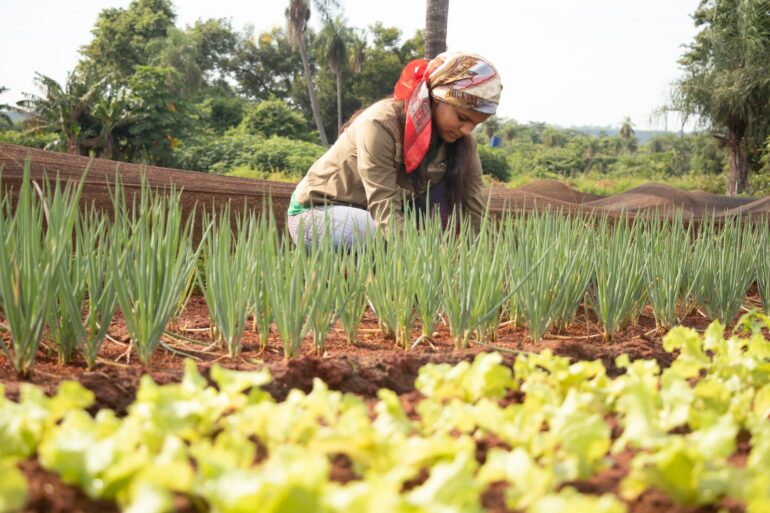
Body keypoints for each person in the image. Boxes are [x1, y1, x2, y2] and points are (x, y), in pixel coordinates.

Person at [287, 51, 502, 249]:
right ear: (437, 97)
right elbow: (386, 211)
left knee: (432, 230)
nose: (466, 130)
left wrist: (496, 264)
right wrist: (427, 264)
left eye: (475, 124)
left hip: (369, 214)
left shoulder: (463, 141)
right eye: (462, 118)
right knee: (383, 237)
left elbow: (475, 208)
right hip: (318, 212)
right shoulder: (379, 125)